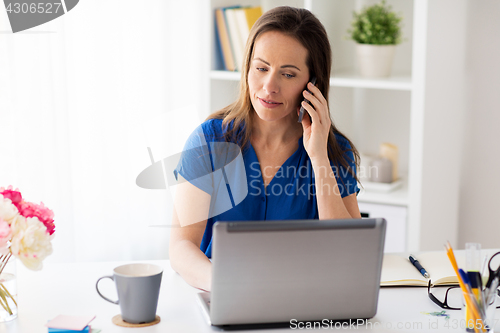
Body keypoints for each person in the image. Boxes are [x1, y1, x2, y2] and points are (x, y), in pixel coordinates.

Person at [169, 6, 361, 291]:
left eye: (288, 74)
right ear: (247, 67)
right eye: (261, 68)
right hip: (220, 292)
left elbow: (351, 253)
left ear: (313, 84)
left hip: (300, 298)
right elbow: (182, 245)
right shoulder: (209, 141)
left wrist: (319, 157)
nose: (269, 86)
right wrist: (225, 285)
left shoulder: (334, 151)